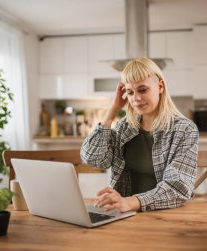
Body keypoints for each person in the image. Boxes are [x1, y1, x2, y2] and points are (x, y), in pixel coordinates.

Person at [81, 58, 199, 212]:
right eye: (130, 92)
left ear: (160, 86)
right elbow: (93, 158)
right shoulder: (124, 127)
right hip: (126, 213)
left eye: (143, 90)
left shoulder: (184, 129)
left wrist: (132, 202)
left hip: (168, 213)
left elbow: (178, 187)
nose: (136, 99)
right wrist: (112, 110)